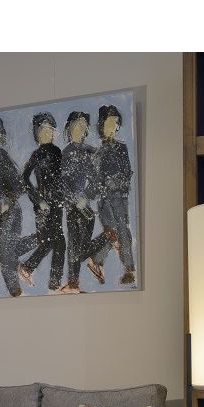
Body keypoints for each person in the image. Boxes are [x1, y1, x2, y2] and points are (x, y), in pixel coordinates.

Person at [0, 115, 37, 297]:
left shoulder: (3, 157)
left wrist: (7, 202)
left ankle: (16, 291)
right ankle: (41, 239)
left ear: (1, 136)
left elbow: (19, 186)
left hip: (10, 214)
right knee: (4, 256)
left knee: (6, 255)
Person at [87, 104, 136, 286]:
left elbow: (127, 173)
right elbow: (96, 183)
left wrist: (116, 183)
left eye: (115, 123)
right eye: (109, 122)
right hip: (105, 201)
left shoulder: (122, 148)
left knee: (123, 232)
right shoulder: (97, 154)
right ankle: (126, 269)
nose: (113, 126)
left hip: (120, 198)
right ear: (102, 125)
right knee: (115, 233)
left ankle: (100, 261)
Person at [18, 113, 68, 292]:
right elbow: (24, 178)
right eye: (42, 130)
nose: (46, 133)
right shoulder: (37, 154)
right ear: (36, 133)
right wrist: (38, 199)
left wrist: (64, 197)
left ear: (53, 133)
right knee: (50, 241)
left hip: (57, 203)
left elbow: (61, 178)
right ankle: (34, 271)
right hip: (43, 206)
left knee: (57, 242)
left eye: (49, 130)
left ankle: (51, 281)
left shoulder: (58, 152)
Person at [59, 111, 99, 293]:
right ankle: (73, 282)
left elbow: (97, 179)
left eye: (82, 127)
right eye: (75, 126)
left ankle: (105, 240)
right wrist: (75, 200)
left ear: (86, 130)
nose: (79, 130)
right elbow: (62, 183)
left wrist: (86, 197)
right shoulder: (65, 154)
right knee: (74, 245)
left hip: (86, 207)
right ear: (69, 129)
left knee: (80, 248)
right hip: (72, 207)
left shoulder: (90, 151)